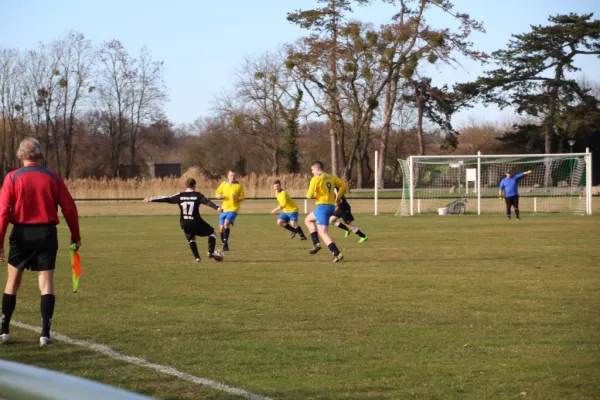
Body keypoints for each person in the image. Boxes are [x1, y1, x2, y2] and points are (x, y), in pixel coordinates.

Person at [0, 138, 81, 347]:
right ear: (41, 155)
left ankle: (4, 330)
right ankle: (45, 334)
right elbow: (69, 208)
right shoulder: (53, 177)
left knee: (13, 281)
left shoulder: (12, 178)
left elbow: (3, 213)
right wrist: (75, 234)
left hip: (21, 233)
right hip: (46, 233)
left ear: (20, 156)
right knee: (46, 283)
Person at [144, 178, 223, 262]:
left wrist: (151, 199)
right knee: (212, 233)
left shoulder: (180, 195)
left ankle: (197, 258)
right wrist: (217, 207)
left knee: (192, 239)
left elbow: (166, 198)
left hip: (185, 223)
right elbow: (207, 201)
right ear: (194, 186)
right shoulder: (198, 195)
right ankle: (210, 252)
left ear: (185, 186)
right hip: (196, 221)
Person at [305, 161, 346, 262]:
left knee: (323, 233)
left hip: (322, 207)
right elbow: (344, 185)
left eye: (312, 170)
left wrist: (316, 193)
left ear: (317, 168)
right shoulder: (331, 177)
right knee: (308, 220)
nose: (312, 172)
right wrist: (338, 197)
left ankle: (337, 254)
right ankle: (316, 243)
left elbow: (309, 195)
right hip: (330, 207)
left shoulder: (315, 179)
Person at [215, 170, 245, 251]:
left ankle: (224, 244)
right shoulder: (224, 184)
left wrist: (237, 198)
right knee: (221, 228)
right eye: (231, 175)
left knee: (226, 223)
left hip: (234, 208)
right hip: (224, 208)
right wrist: (219, 196)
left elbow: (243, 197)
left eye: (234, 175)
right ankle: (224, 245)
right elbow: (217, 193)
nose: (233, 177)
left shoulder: (239, 186)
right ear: (228, 176)